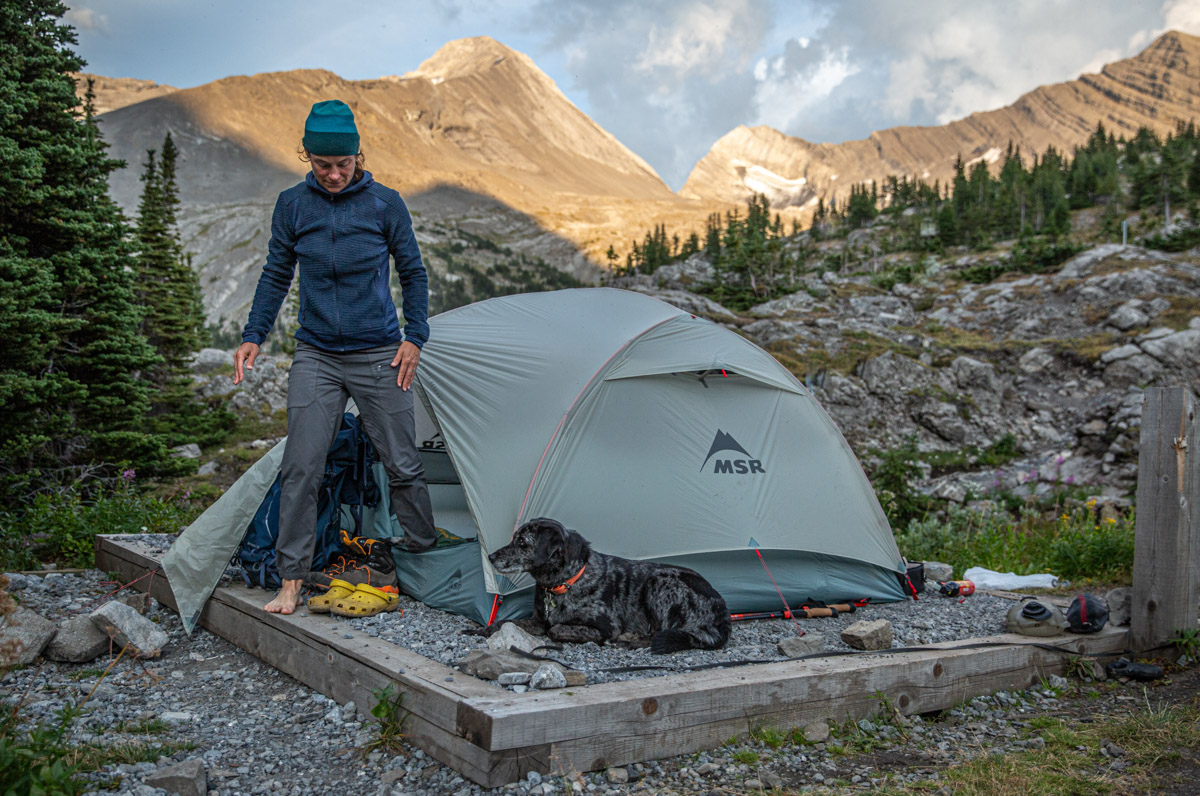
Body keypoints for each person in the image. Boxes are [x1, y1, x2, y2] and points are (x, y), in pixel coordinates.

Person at [233, 99, 437, 615]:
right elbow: (276, 273)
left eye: (342, 165)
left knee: (404, 463)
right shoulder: (292, 205)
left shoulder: (385, 204)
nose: (333, 175)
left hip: (379, 353)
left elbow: (413, 272)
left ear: (357, 156)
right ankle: (291, 581)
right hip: (317, 354)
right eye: (322, 165)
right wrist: (254, 333)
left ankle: (423, 553)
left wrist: (415, 336)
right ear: (308, 158)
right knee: (302, 466)